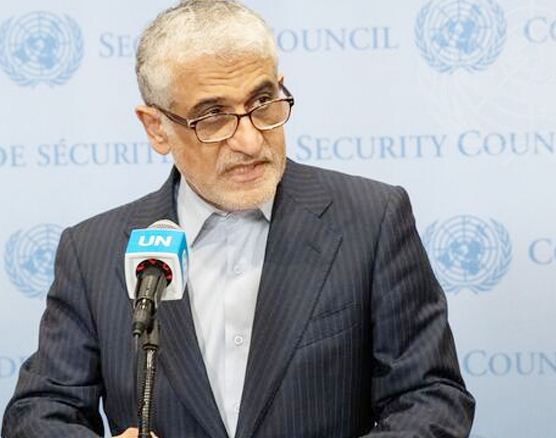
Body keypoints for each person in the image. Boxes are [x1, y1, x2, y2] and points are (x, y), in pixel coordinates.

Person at [2, 1, 475, 437]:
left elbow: (431, 397)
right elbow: (38, 413)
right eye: (212, 116)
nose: (249, 141)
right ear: (156, 128)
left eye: (263, 102)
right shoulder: (93, 252)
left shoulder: (371, 220)